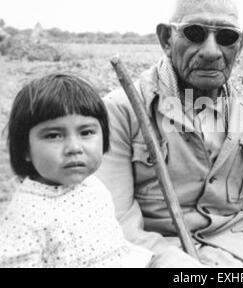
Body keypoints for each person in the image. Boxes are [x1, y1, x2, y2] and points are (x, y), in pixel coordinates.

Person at [96, 0, 243, 268]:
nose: (212, 51)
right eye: (195, 33)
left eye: (226, 37)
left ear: (241, 44)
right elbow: (115, 227)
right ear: (166, 38)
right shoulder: (121, 111)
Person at [0, 74, 154, 267]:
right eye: (54, 135)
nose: (74, 147)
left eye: (86, 132)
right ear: (25, 149)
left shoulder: (93, 185)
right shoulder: (24, 219)